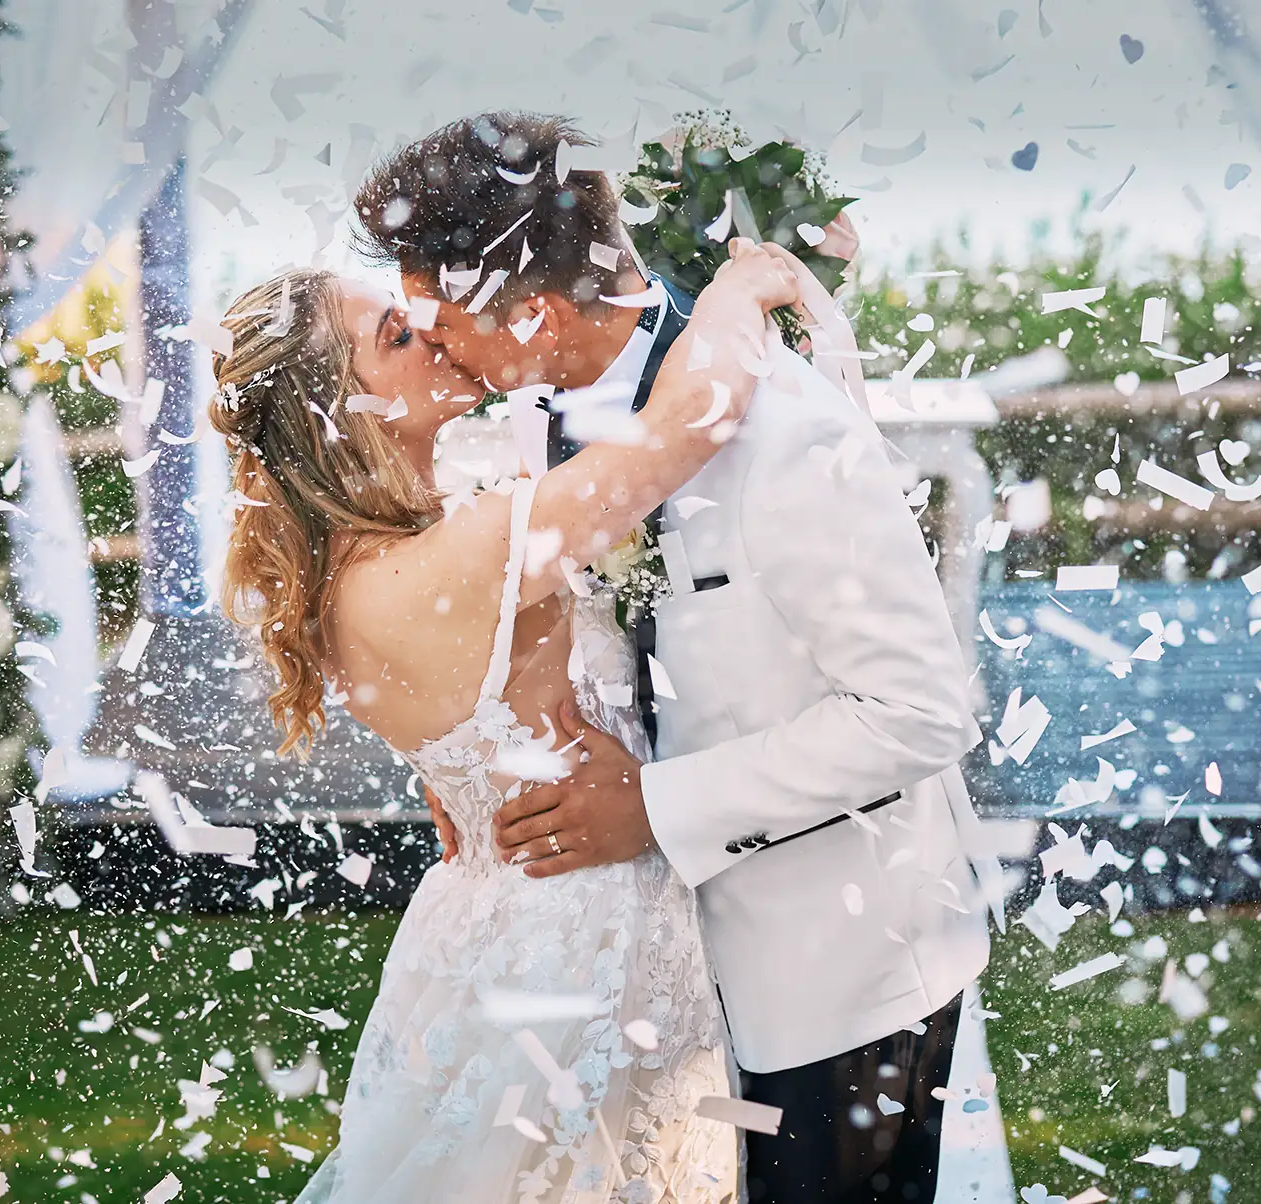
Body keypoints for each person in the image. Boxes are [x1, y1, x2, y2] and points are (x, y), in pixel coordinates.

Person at [356, 112, 1002, 1202]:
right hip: (651, 982)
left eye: (440, 318)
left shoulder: (788, 434)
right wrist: (477, 751)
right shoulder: (534, 417)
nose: (433, 345)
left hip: (833, 984)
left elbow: (921, 710)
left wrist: (654, 808)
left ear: (534, 313)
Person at [212, 237, 803, 1199]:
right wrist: (741, 283)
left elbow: (464, 716)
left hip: (492, 914)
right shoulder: (469, 549)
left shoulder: (350, 576)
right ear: (338, 412)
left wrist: (471, 778)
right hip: (580, 931)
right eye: (395, 334)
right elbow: (689, 422)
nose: (433, 329)